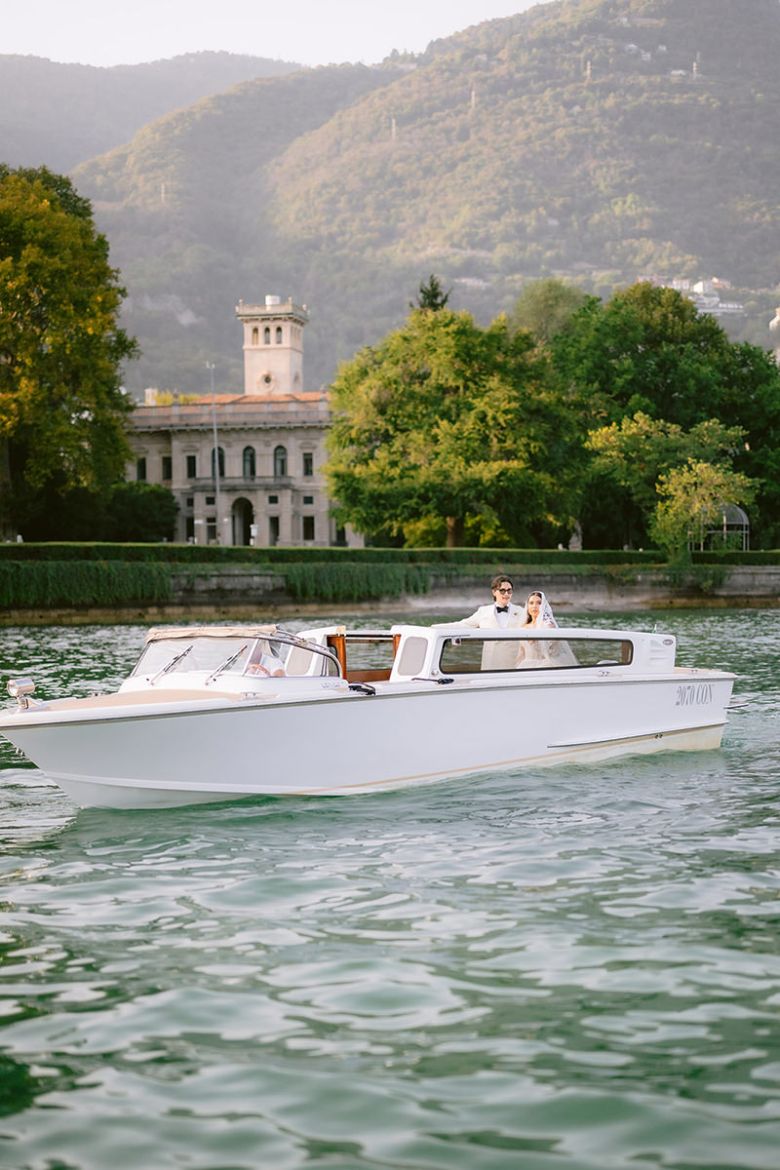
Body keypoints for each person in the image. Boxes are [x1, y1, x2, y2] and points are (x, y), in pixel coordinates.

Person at [443, 574, 528, 669]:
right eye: (502, 591)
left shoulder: (521, 611)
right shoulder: (483, 611)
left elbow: (535, 627)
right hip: (490, 664)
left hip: (513, 665)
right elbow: (463, 624)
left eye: (509, 590)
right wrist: (434, 627)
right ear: (494, 592)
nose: (506, 594)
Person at [514, 589, 576, 667]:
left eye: (539, 603)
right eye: (531, 603)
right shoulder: (523, 627)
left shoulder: (548, 625)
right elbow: (521, 653)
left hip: (544, 664)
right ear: (527, 606)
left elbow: (553, 648)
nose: (534, 606)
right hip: (526, 664)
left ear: (543, 606)